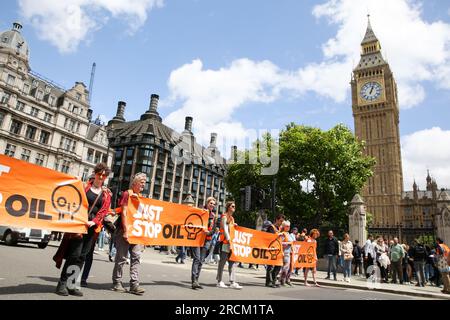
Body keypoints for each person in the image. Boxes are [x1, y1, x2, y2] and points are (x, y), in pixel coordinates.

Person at [55, 163, 112, 296]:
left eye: (104, 176)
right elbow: (74, 201)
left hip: (92, 228)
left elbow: (103, 211)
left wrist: (94, 221)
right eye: (99, 174)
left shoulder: (106, 194)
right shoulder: (84, 186)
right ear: (95, 173)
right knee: (74, 255)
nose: (101, 177)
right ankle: (62, 284)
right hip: (79, 225)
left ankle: (71, 284)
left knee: (82, 257)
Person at [111, 173, 147, 295]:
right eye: (142, 181)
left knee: (136, 257)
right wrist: (126, 230)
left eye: (145, 181)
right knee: (121, 258)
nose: (144, 183)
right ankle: (117, 282)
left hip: (137, 233)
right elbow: (124, 212)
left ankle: (134, 284)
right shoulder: (127, 194)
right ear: (135, 183)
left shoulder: (141, 197)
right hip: (125, 231)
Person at [191, 197, 218, 290]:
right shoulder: (200, 211)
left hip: (207, 239)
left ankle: (196, 280)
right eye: (211, 203)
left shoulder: (214, 216)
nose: (212, 205)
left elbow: (214, 229)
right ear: (207, 203)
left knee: (201, 260)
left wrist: (209, 233)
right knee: (197, 258)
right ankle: (193, 280)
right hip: (198, 238)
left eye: (214, 204)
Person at [216, 201, 242, 289]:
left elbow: (230, 228)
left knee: (232, 261)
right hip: (225, 242)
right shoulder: (224, 216)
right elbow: (225, 229)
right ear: (228, 207)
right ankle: (219, 281)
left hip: (231, 243)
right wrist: (229, 240)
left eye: (234, 206)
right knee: (222, 262)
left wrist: (234, 225)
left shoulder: (232, 218)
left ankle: (232, 281)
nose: (234, 207)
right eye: (232, 206)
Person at [263, 214, 285, 288]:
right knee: (270, 266)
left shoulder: (279, 228)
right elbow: (270, 237)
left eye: (282, 221)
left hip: (278, 250)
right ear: (276, 220)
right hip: (271, 250)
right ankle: (268, 282)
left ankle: (273, 281)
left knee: (278, 266)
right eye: (280, 221)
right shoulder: (271, 227)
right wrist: (279, 234)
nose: (281, 222)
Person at [279, 221, 295, 287]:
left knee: (288, 267)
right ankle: (281, 280)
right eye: (287, 226)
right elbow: (281, 243)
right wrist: (288, 243)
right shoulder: (283, 234)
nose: (288, 227)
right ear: (284, 226)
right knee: (286, 266)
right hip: (285, 252)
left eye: (289, 226)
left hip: (289, 252)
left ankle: (283, 280)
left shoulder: (288, 233)